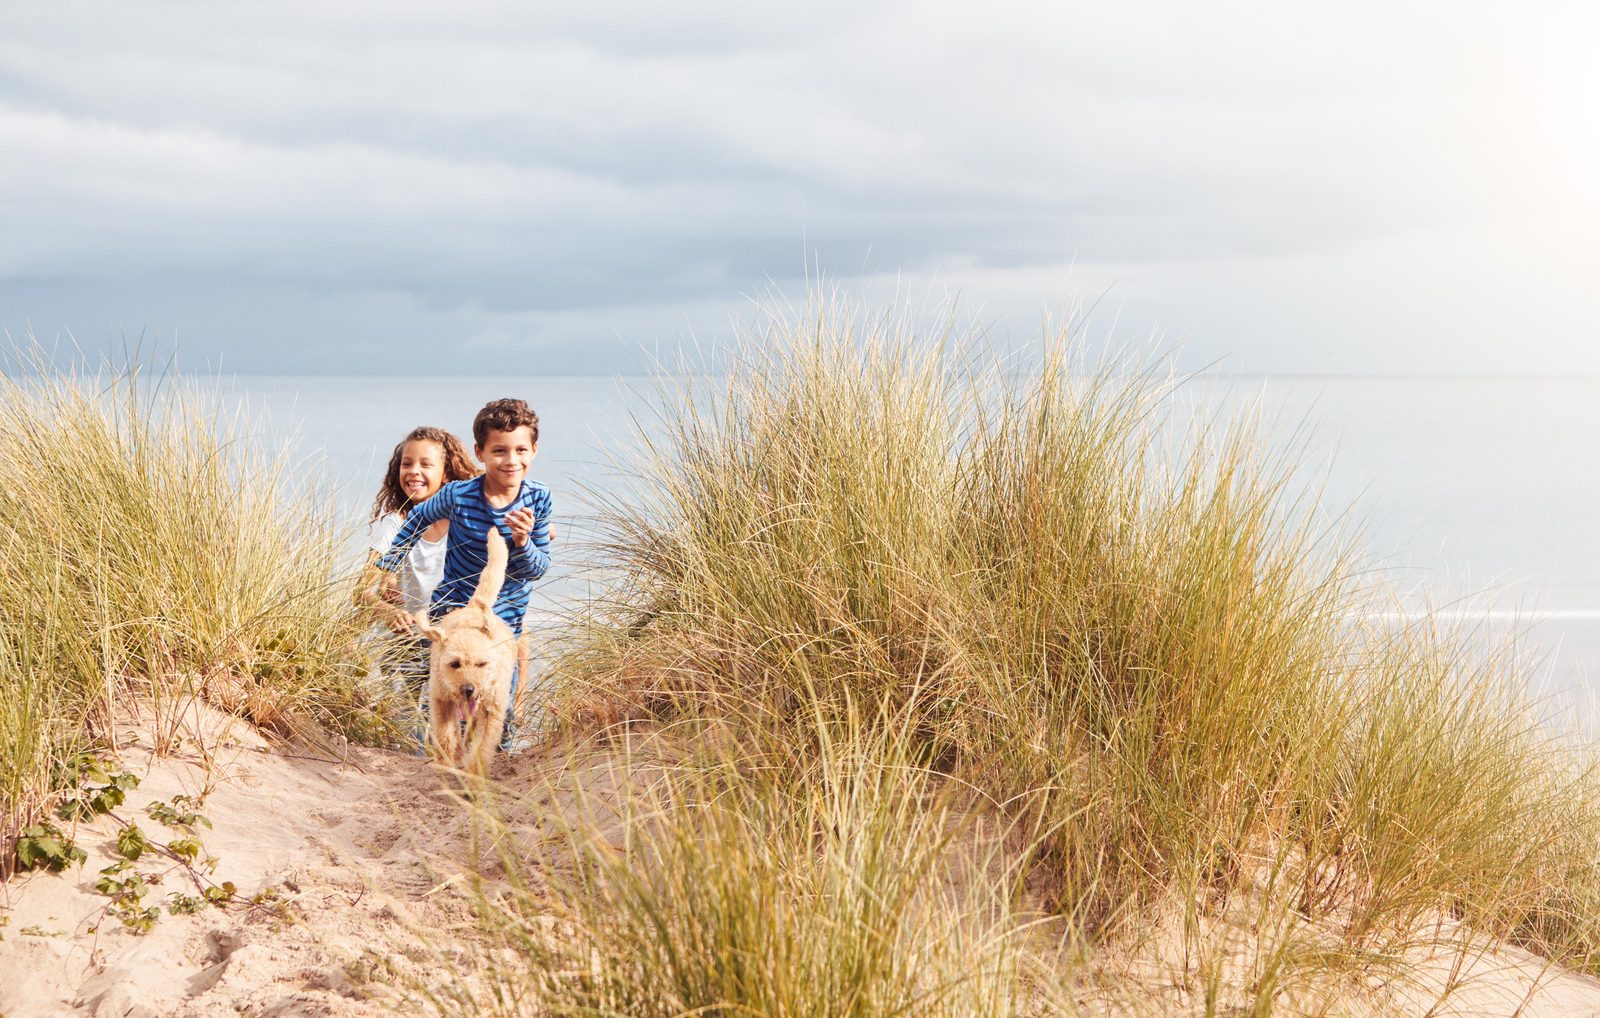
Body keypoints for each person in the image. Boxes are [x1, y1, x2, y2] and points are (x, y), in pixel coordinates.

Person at [375, 398, 553, 750]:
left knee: (496, 716)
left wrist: (522, 541)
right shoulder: (459, 495)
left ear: (533, 451)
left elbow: (537, 569)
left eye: (520, 450)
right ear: (480, 452)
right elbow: (416, 520)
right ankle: (436, 764)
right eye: (499, 450)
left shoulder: (540, 499)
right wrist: (388, 568)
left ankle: (490, 761)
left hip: (503, 621)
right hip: (452, 614)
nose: (511, 460)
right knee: (445, 704)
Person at [357, 426, 479, 710]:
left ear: (446, 474)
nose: (413, 470)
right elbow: (361, 591)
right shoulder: (395, 525)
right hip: (408, 642)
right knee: (410, 728)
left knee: (458, 722)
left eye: (426, 464)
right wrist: (389, 612)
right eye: (407, 463)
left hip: (455, 642)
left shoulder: (466, 523)